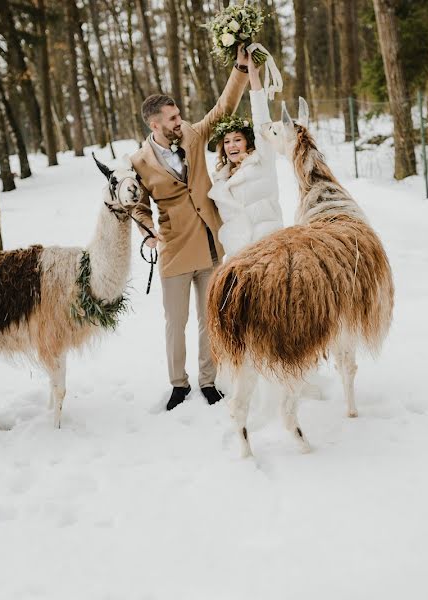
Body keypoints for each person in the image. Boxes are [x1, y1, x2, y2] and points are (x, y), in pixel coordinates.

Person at [130, 45, 251, 411]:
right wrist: (149, 232)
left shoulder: (195, 136)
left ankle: (208, 380)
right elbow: (138, 205)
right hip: (173, 250)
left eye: (179, 114)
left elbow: (223, 108)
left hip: (211, 244)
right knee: (175, 323)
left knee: (209, 320)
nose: (179, 120)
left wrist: (241, 69)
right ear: (155, 124)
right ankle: (178, 384)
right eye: (172, 117)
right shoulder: (139, 161)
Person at [208, 58, 283, 258]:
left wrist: (253, 76)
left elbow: (261, 122)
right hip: (238, 256)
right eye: (227, 141)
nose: (231, 145)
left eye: (237, 140)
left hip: (269, 249)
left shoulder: (262, 160)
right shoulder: (221, 179)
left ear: (248, 142)